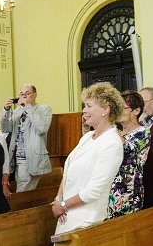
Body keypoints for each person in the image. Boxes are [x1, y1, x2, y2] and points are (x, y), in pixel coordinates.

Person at [51, 83, 124, 234]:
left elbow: (94, 191)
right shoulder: (88, 137)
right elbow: (68, 172)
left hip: (86, 217)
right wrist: (59, 199)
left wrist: (64, 205)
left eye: (89, 106)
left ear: (105, 109)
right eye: (85, 105)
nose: (84, 110)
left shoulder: (111, 144)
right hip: (68, 213)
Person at [1, 84, 52, 192]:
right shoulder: (17, 111)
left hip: (32, 158)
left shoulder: (44, 109)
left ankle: (17, 209)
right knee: (23, 191)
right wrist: (6, 110)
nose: (24, 97)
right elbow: (5, 129)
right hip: (16, 158)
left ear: (35, 95)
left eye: (27, 94)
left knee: (22, 192)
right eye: (21, 94)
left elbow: (42, 128)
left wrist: (27, 107)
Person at [107, 90, 151, 218]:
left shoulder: (143, 132)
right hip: (109, 189)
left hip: (128, 192)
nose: (119, 111)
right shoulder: (117, 132)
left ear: (136, 111)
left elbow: (126, 150)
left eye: (123, 108)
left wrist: (111, 126)